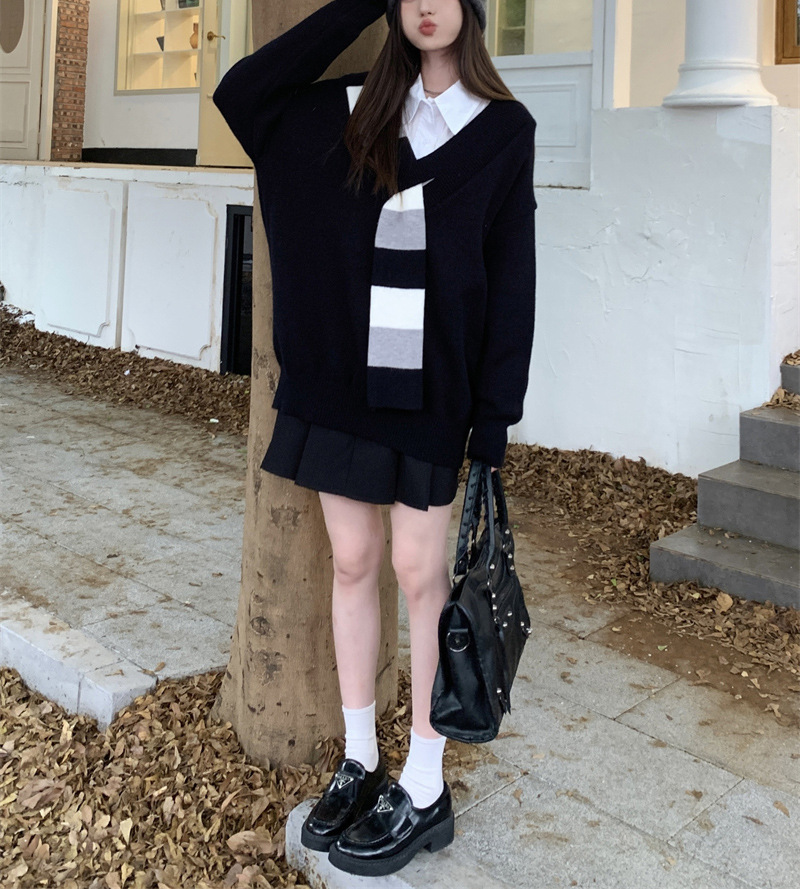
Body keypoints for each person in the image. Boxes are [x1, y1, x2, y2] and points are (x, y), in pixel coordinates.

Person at [213, 0, 536, 876]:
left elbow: (512, 277)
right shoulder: (350, 109)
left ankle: (425, 784)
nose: (428, 4)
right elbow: (242, 94)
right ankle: (361, 760)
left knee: (419, 575)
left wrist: (495, 420)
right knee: (353, 562)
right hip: (337, 389)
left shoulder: (503, 131)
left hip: (431, 397)